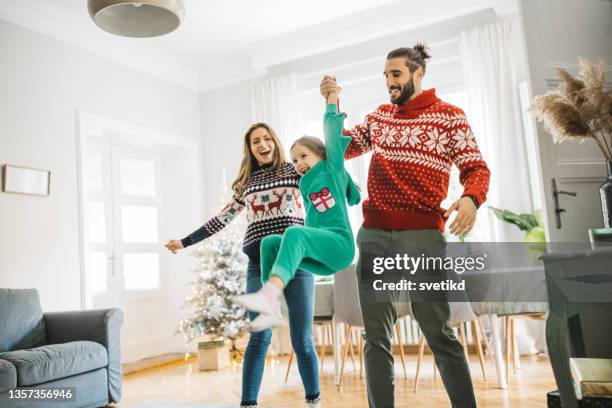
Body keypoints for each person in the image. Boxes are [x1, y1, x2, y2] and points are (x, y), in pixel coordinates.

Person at [319, 43, 491, 408]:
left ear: (418, 74)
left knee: (437, 330)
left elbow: (476, 168)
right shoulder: (380, 117)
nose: (389, 83)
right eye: (385, 76)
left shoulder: (449, 117)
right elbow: (340, 150)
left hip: (423, 236)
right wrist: (332, 102)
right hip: (375, 234)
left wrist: (471, 199)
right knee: (376, 335)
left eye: (395, 74)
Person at [165, 123, 321, 408]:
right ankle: (248, 403)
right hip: (259, 265)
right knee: (259, 337)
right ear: (249, 149)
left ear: (274, 141)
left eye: (266, 139)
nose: (262, 145)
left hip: (296, 263)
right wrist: (185, 241)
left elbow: (322, 187)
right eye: (255, 141)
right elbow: (220, 220)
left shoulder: (294, 171)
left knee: (302, 339)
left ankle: (314, 401)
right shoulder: (246, 184)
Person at [233, 89, 361, 335]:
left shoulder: (331, 168)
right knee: (270, 242)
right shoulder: (304, 182)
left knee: (295, 233)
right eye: (294, 160)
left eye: (304, 156)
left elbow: (332, 133)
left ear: (321, 155)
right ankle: (271, 309)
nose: (299, 163)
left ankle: (269, 294)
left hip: (340, 246)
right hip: (320, 256)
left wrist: (331, 98)